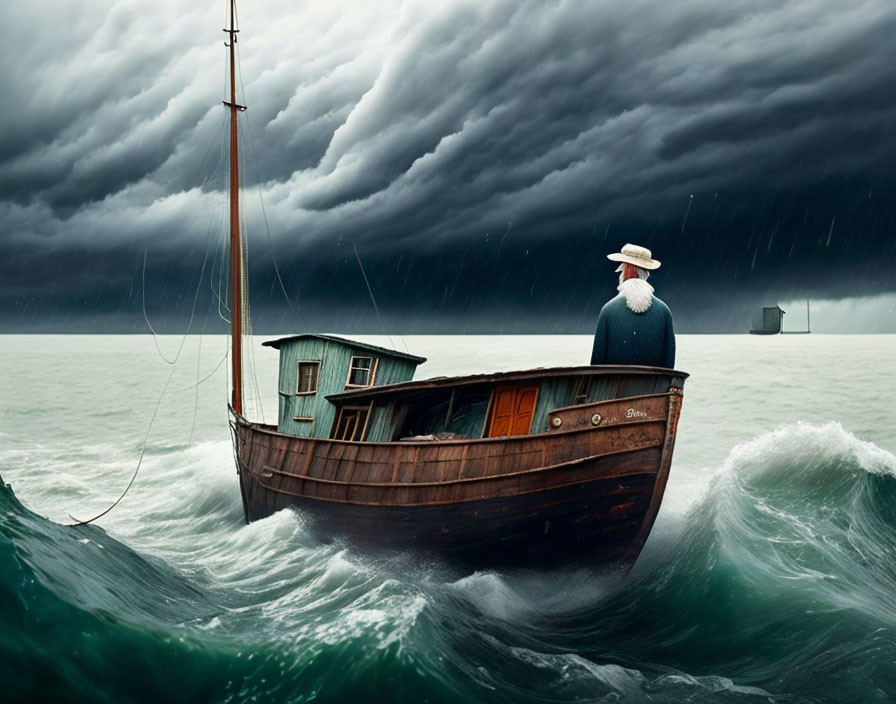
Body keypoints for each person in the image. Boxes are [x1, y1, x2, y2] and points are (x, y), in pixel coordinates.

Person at [590, 243, 675, 368]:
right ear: (646, 273)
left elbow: (596, 364)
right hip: (654, 385)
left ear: (624, 272)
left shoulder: (608, 310)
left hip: (613, 384)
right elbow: (669, 363)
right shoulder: (664, 311)